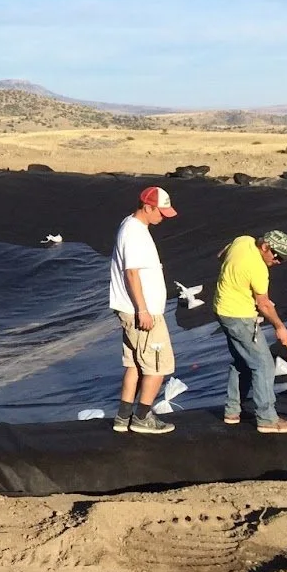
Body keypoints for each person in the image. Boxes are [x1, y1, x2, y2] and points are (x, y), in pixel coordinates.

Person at [213, 229, 287, 433]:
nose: (278, 261)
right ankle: (267, 419)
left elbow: (221, 255)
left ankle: (232, 411)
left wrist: (238, 282)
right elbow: (264, 305)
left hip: (221, 310)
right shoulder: (258, 269)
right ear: (265, 246)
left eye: (282, 259)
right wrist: (280, 326)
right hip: (239, 317)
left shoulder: (242, 241)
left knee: (242, 360)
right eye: (277, 256)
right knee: (264, 365)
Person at [109, 186, 177, 434]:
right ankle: (142, 418)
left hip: (134, 310)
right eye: (160, 212)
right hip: (142, 312)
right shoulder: (134, 232)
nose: (163, 217)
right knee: (158, 367)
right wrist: (143, 310)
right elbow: (132, 273)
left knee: (135, 365)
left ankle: (123, 417)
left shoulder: (132, 227)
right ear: (148, 207)